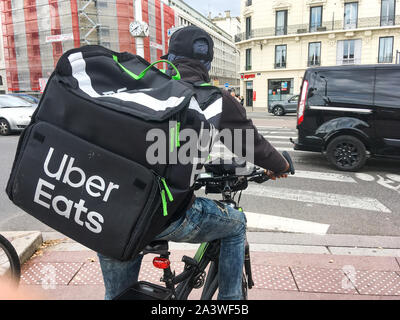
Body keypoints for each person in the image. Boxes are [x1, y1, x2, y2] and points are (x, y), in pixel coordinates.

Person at [98, 26, 289, 300]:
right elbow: (253, 146)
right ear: (208, 64)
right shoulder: (213, 99)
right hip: (163, 214)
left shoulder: (139, 88)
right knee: (235, 224)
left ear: (170, 56)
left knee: (116, 296)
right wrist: (280, 165)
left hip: (107, 207)